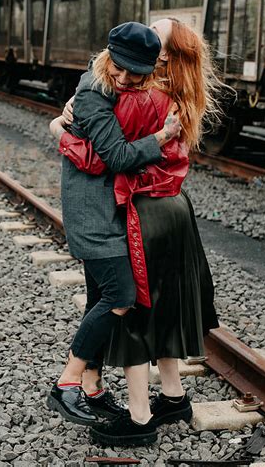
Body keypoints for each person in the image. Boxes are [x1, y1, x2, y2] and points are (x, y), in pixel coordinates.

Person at [57, 18, 220, 446]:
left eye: (155, 36)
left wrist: (60, 131)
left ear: (162, 56)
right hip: (176, 210)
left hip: (143, 210)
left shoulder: (140, 99)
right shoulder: (185, 95)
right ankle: (172, 395)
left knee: (133, 309)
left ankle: (140, 416)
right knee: (160, 306)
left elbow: (103, 159)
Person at [47, 22, 182, 429]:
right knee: (122, 293)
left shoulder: (114, 87)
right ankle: (67, 382)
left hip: (110, 208)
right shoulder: (91, 93)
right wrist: (160, 138)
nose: (124, 78)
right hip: (92, 212)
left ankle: (91, 387)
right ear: (108, 55)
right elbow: (119, 157)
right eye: (119, 68)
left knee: (98, 297)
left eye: (134, 73)